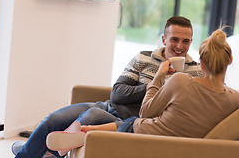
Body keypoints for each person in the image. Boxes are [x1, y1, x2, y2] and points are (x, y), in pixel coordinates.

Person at [12, 16, 202, 158]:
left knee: (89, 118)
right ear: (164, 39)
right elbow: (118, 93)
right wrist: (152, 85)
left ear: (191, 42)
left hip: (130, 121)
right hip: (107, 106)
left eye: (185, 41)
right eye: (174, 39)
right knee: (53, 118)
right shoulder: (143, 57)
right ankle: (31, 152)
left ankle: (45, 151)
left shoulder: (195, 72)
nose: (179, 46)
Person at [46, 27, 239, 153]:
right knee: (125, 121)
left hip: (148, 135)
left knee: (132, 122)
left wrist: (159, 76)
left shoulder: (181, 80)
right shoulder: (235, 100)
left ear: (201, 62)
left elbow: (146, 111)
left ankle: (87, 132)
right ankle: (89, 130)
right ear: (229, 61)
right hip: (185, 145)